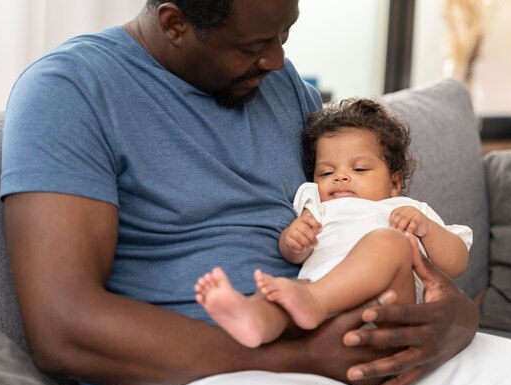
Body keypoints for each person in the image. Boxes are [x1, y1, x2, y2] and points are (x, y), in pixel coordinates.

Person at [0, 0, 511, 385]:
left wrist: (455, 321)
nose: (278, 62)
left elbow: (363, 221)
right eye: (255, 44)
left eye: (285, 33)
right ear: (175, 23)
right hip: (209, 380)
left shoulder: (280, 88)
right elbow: (62, 328)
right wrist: (302, 355)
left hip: (359, 350)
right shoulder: (71, 90)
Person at [194, 98, 473, 348]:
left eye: (359, 169)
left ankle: (313, 302)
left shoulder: (408, 209)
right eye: (326, 171)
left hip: (390, 311)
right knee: (280, 293)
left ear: (395, 182)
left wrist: (428, 229)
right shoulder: (316, 204)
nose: (340, 177)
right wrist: (294, 240)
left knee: (391, 242)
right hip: (322, 294)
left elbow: (456, 263)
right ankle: (253, 321)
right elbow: (293, 252)